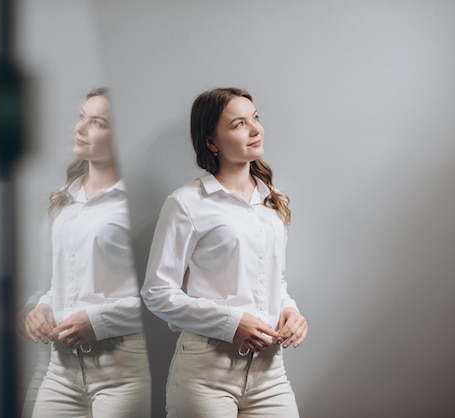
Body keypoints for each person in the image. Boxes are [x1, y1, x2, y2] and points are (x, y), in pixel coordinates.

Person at [141, 87, 307, 417]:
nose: (256, 129)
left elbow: (274, 280)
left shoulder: (274, 202)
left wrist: (290, 310)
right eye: (239, 124)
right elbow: (157, 293)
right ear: (211, 142)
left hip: (269, 373)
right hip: (205, 376)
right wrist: (230, 322)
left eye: (255, 118)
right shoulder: (186, 203)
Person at [24, 88, 150, 418]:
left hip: (121, 374)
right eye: (82, 117)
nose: (79, 128)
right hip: (61, 369)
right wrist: (42, 307)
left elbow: (162, 298)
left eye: (96, 122)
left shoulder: (139, 204)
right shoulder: (64, 201)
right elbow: (57, 283)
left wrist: (99, 320)